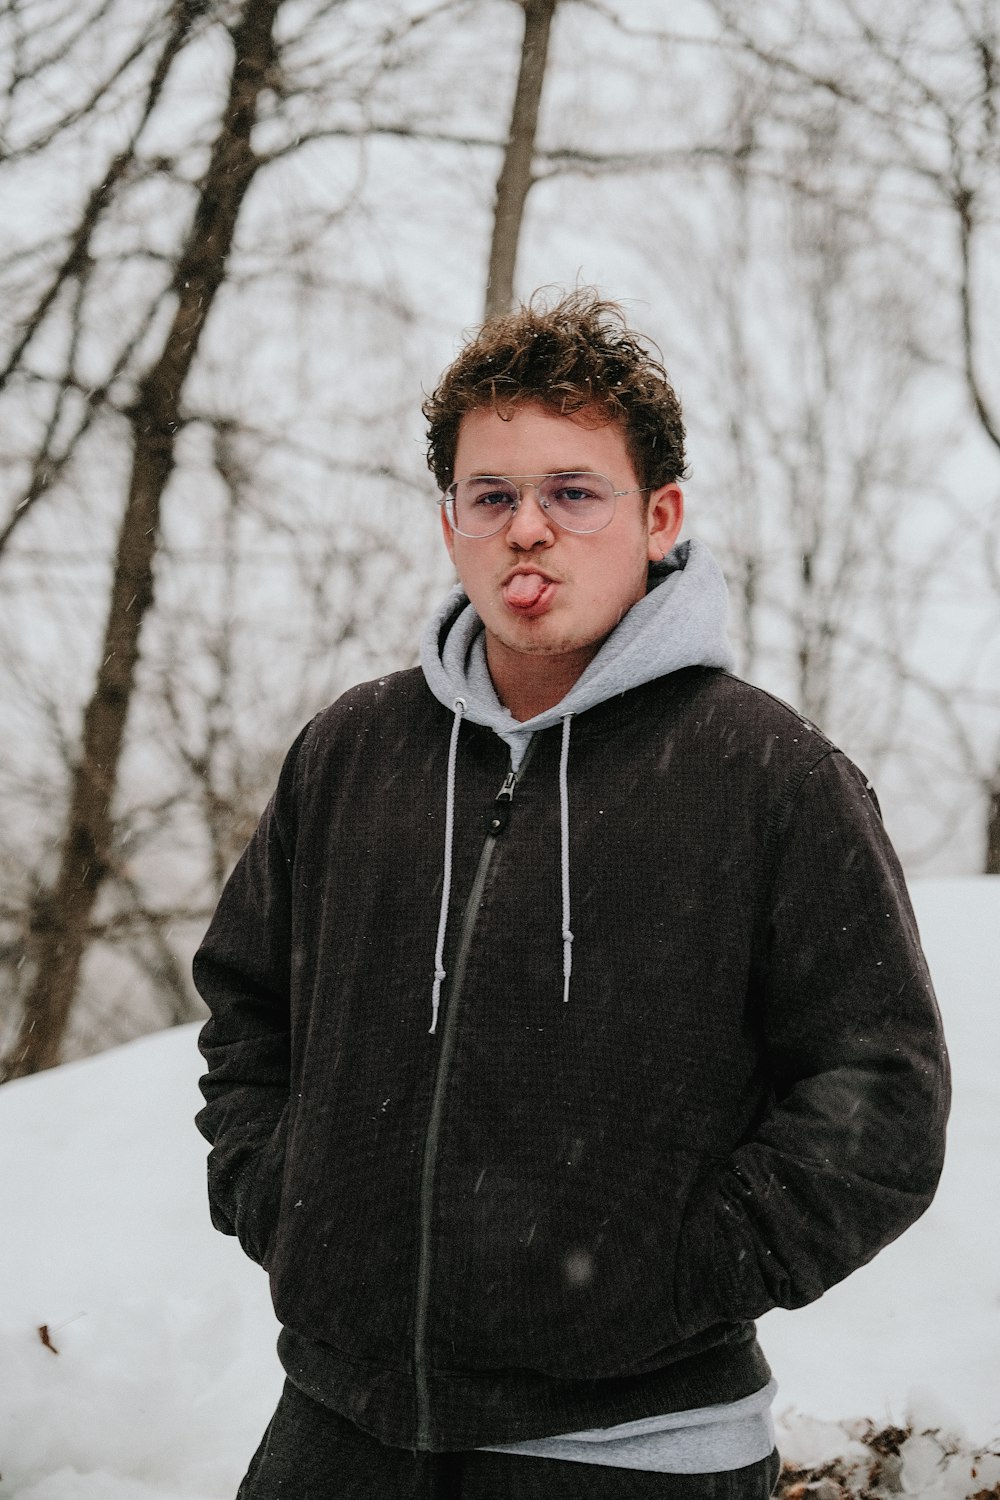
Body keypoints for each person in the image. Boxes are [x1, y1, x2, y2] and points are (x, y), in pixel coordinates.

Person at [194, 289, 950, 1498]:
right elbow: (246, 1017)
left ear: (657, 518)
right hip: (337, 1437)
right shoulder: (354, 753)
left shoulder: (767, 775)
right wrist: (290, 1203)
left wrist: (681, 1273)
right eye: (491, 497)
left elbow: (881, 1099)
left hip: (632, 1458)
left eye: (571, 493)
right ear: (451, 525)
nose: (526, 530)